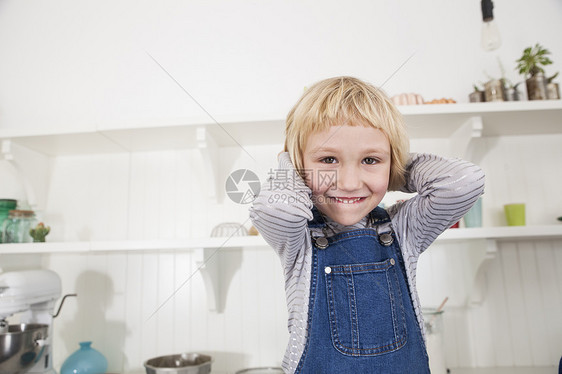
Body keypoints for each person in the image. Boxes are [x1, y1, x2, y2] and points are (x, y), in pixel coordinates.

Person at [249, 76, 485, 373]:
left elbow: (465, 183)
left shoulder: (403, 229)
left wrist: (394, 167)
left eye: (370, 160)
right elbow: (275, 208)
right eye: (328, 159)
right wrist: (291, 163)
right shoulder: (298, 239)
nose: (349, 183)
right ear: (299, 167)